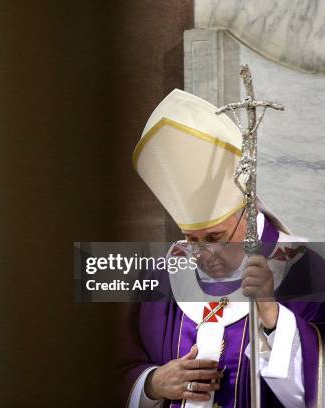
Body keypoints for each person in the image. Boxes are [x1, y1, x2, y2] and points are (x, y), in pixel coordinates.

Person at [123, 89, 325, 408]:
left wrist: (274, 319)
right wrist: (152, 383)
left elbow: (318, 386)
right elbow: (116, 364)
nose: (203, 253)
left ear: (247, 212)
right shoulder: (163, 274)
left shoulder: (306, 271)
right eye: (192, 239)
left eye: (215, 237)